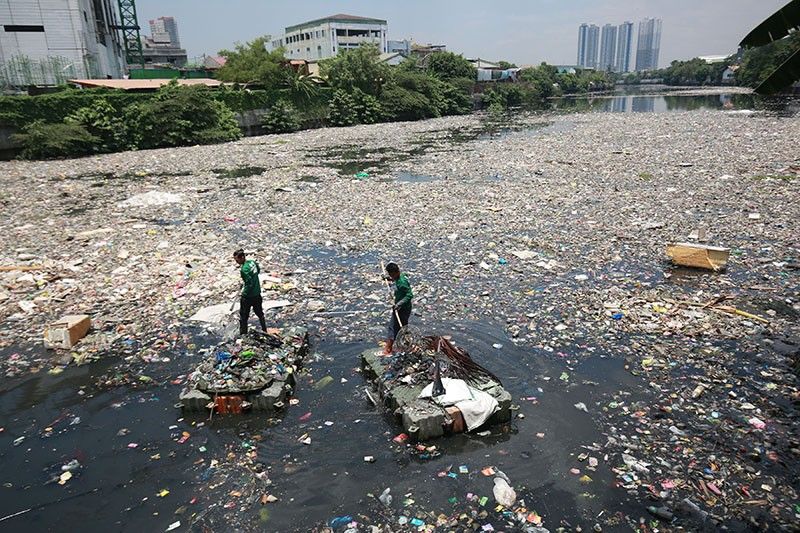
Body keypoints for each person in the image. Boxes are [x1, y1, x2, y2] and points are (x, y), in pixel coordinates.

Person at [233, 249, 267, 335]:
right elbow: (258, 271)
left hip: (248, 297)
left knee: (244, 316)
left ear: (242, 257)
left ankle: (243, 334)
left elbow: (249, 283)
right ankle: (264, 330)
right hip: (257, 293)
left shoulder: (244, 270)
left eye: (237, 260)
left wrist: (244, 293)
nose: (236, 262)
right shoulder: (252, 262)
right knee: (260, 313)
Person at [384, 262, 413, 354]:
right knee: (402, 328)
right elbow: (397, 279)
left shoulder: (402, 283)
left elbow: (409, 295)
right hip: (401, 307)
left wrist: (399, 304)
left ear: (396, 272)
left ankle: (388, 349)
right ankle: (404, 346)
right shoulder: (400, 277)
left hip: (403, 309)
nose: (391, 277)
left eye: (391, 275)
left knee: (393, 327)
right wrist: (388, 279)